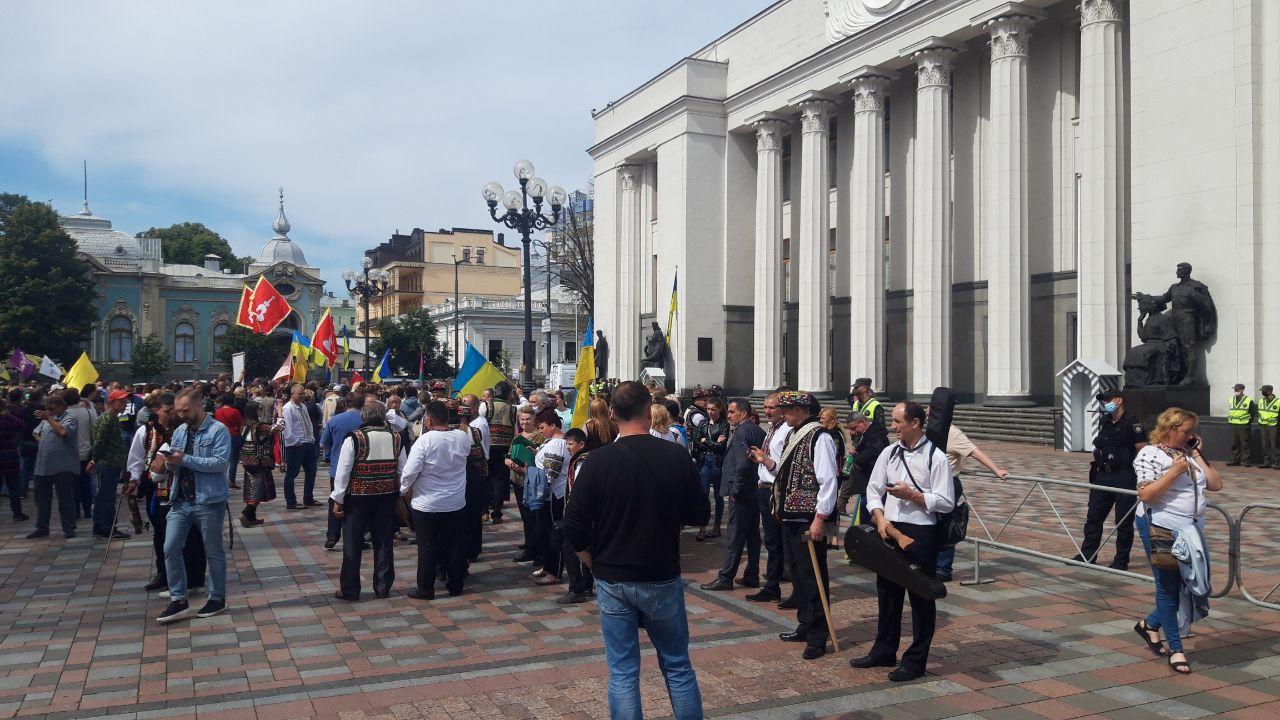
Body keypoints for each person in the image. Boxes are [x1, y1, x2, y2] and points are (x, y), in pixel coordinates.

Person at [562, 381, 708, 719]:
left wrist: (589, 560)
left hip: (613, 574)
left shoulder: (596, 462)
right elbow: (699, 513)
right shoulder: (676, 455)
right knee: (677, 666)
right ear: (648, 411)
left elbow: (573, 524)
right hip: (660, 572)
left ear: (612, 415)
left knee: (624, 671)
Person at [854, 401, 954, 681]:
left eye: (898, 422)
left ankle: (915, 660)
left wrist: (914, 496)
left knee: (922, 596)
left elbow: (945, 502)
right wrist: (881, 518)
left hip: (921, 533)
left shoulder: (936, 457)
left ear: (915, 423)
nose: (893, 427)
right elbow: (873, 490)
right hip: (890, 527)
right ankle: (884, 650)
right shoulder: (889, 453)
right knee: (887, 592)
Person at [1133, 407, 1223, 675]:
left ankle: (1149, 625)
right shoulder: (1150, 454)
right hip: (1161, 526)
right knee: (1168, 587)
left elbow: (1216, 484)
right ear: (1171, 429)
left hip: (1192, 529)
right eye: (1186, 431)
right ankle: (1176, 648)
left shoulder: (1189, 454)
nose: (1190, 436)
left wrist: (1197, 454)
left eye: (1192, 432)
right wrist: (1173, 472)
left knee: (1194, 584)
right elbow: (1146, 495)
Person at [767, 392, 842, 660]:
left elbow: (828, 480)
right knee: (798, 576)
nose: (782, 414)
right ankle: (806, 623)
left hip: (808, 518)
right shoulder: (793, 434)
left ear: (800, 409)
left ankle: (818, 635)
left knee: (813, 578)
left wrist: (820, 517)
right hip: (790, 516)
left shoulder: (819, 436)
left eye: (786, 409)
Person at [156, 388, 231, 624]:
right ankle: (178, 598)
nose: (181, 415)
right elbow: (174, 462)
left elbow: (219, 463)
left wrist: (184, 459)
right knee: (170, 547)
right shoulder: (180, 430)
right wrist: (165, 464)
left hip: (208, 500)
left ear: (199, 406)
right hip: (180, 500)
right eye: (178, 411)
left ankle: (216, 597)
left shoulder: (218, 430)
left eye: (185, 410)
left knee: (213, 551)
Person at [127, 393, 206, 594]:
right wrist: (134, 479)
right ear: (157, 411)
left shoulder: (189, 430)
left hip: (187, 489)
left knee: (192, 534)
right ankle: (164, 574)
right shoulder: (148, 431)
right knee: (162, 534)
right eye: (168, 410)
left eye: (178, 410)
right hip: (158, 490)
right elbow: (136, 457)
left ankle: (194, 577)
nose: (174, 414)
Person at [331, 400, 406, 601]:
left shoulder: (355, 438)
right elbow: (403, 470)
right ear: (383, 417)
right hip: (386, 497)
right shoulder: (395, 438)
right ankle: (382, 587)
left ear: (363, 417)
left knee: (352, 544)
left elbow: (343, 471)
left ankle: (350, 589)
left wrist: (338, 499)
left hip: (357, 499)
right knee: (383, 543)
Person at [401, 401, 472, 599]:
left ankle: (426, 588)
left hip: (427, 503)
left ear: (429, 420)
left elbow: (409, 472)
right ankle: (456, 584)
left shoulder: (424, 441)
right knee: (455, 544)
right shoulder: (462, 437)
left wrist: (403, 490)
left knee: (427, 546)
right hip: (455, 501)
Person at [1073, 390, 1146, 571]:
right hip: (1103, 475)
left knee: (1123, 521)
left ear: (1119, 400)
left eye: (1108, 399)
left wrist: (1143, 477)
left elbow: (1142, 451)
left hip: (1124, 475)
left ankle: (1121, 561)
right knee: (1093, 517)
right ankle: (1088, 555)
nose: (1105, 403)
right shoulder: (1105, 421)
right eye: (1103, 400)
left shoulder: (1132, 423)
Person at [702, 398, 766, 592]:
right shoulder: (757, 430)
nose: (728, 416)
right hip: (754, 490)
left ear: (744, 414)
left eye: (732, 412)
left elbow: (743, 464)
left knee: (735, 534)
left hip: (743, 491)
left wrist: (736, 490)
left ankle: (726, 576)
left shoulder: (743, 432)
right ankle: (751, 574)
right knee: (752, 534)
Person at [934, 419, 1009, 581]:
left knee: (946, 525)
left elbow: (974, 451)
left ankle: (943, 569)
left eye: (931, 410)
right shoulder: (931, 430)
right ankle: (931, 564)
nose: (927, 412)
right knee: (931, 524)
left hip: (948, 485)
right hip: (931, 484)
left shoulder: (952, 433)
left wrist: (996, 469)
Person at [746, 391, 791, 604]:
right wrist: (760, 458)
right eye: (765, 407)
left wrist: (766, 461)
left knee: (777, 540)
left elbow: (785, 465)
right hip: (764, 487)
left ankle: (775, 585)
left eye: (771, 407)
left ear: (782, 409)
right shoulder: (772, 429)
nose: (767, 411)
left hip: (776, 489)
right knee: (772, 540)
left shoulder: (787, 430)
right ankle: (772, 585)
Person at [29, 393, 80, 539]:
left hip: (63, 466)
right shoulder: (46, 420)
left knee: (65, 499)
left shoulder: (69, 418)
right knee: (42, 499)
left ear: (61, 407)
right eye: (47, 409)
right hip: (43, 465)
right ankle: (42, 526)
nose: (48, 412)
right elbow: (36, 433)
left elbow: (64, 432)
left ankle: (69, 528)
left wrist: (49, 418)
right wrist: (45, 441)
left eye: (51, 409)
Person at [320, 393, 366, 550]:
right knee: (358, 505)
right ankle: (357, 537)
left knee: (335, 499)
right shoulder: (366, 420)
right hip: (361, 469)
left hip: (338, 467)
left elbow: (324, 442)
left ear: (346, 403)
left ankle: (332, 535)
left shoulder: (334, 420)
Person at [531, 408, 568, 587]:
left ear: (553, 425)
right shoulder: (552, 442)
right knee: (546, 532)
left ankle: (555, 571)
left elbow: (551, 472)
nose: (540, 430)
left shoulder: (558, 444)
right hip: (548, 494)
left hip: (554, 494)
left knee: (554, 534)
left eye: (543, 427)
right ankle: (549, 566)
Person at [557, 427, 593, 604]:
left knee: (570, 549)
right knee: (584, 547)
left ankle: (576, 588)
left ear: (581, 444)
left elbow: (579, 489)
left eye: (570, 443)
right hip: (584, 514)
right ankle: (587, 585)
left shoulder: (582, 461)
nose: (568, 447)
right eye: (566, 443)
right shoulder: (582, 459)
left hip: (578, 514)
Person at [88, 389, 131, 540]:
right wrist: (95, 458)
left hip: (109, 461)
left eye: (125, 401)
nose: (125, 404)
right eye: (122, 401)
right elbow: (99, 441)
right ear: (112, 402)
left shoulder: (110, 417)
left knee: (102, 496)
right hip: (108, 462)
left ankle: (99, 527)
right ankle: (107, 528)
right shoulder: (108, 418)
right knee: (108, 497)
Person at [836, 411, 890, 524]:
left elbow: (874, 452)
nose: (853, 432)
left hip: (872, 479)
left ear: (862, 422)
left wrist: (857, 457)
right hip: (866, 481)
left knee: (869, 511)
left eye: (855, 428)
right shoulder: (865, 433)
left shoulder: (876, 433)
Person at [506, 405, 543, 563]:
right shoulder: (517, 437)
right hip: (518, 481)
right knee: (526, 518)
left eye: (528, 419)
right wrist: (508, 461)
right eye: (522, 419)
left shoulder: (539, 437)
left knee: (535, 518)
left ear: (534, 419)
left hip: (533, 482)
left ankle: (538, 550)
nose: (525, 422)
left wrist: (520, 467)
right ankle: (530, 547)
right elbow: (510, 454)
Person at [238, 402, 280, 527]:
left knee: (252, 488)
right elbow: (278, 429)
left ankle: (251, 517)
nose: (262, 410)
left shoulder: (245, 426)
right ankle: (247, 513)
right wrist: (281, 413)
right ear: (255, 412)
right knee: (259, 488)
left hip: (247, 461)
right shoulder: (259, 426)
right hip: (259, 461)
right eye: (260, 409)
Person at [459, 395, 490, 561]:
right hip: (471, 478)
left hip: (462, 481)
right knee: (471, 517)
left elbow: (481, 455)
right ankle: (472, 549)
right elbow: (480, 458)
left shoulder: (473, 429)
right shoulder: (471, 430)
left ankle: (469, 549)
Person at [694, 397, 729, 541]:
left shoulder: (723, 425)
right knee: (704, 494)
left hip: (716, 462)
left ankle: (716, 526)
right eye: (708, 409)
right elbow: (696, 442)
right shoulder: (702, 423)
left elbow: (721, 446)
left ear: (720, 409)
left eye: (713, 409)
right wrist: (712, 442)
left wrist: (706, 441)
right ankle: (702, 527)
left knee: (718, 496)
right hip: (704, 461)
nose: (710, 412)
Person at [280, 383, 319, 509]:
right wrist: (296, 442)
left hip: (308, 443)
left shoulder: (303, 406)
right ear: (292, 394)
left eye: (303, 393)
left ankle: (308, 498)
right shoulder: (288, 408)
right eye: (299, 394)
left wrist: (311, 437)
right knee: (292, 474)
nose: (302, 396)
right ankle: (291, 501)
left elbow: (307, 422)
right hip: (296, 445)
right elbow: (287, 429)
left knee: (311, 471)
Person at [63, 388, 96, 520]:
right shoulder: (88, 412)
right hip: (85, 452)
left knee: (72, 485)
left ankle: (75, 510)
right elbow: (94, 431)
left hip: (69, 454)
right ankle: (87, 510)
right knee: (85, 483)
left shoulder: (64, 414)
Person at [486, 382, 516, 524]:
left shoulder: (487, 405)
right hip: (505, 448)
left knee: (486, 477)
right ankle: (497, 513)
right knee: (500, 479)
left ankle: (485, 510)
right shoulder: (513, 408)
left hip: (488, 447)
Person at [0, 399, 29, 521]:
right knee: (13, 487)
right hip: (10, 456)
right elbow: (22, 425)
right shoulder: (8, 419)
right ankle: (17, 513)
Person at [214, 394, 244, 490]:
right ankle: (232, 482)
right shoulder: (235, 411)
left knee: (222, 458)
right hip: (234, 435)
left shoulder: (217, 411)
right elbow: (240, 424)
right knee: (233, 460)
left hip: (220, 436)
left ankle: (221, 480)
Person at [1226, 383, 1255, 466]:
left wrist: (1248, 422)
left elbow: (1252, 412)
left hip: (1243, 424)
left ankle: (1246, 461)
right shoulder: (1231, 399)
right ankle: (1235, 460)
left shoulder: (1248, 400)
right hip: (1233, 424)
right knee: (1234, 443)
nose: (1235, 391)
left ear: (1242, 390)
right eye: (1235, 389)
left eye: (1237, 389)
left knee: (1245, 443)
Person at [1258, 385, 1280, 469]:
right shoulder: (1261, 401)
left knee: (1275, 445)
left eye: (1263, 390)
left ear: (1269, 391)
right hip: (1263, 425)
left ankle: (1277, 462)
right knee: (1265, 444)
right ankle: (1266, 462)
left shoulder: (1278, 401)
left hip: (1274, 425)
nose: (1262, 392)